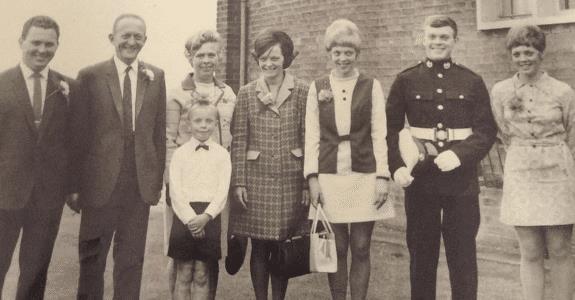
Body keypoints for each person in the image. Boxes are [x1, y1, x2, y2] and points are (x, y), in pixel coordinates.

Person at [386, 15, 497, 300]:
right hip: (421, 180)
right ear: (423, 40)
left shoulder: (472, 80)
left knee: (463, 255)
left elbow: (486, 130)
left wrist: (460, 155)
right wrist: (396, 166)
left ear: (454, 41)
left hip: (461, 181)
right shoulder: (406, 80)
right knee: (421, 256)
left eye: (444, 37)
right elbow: (390, 128)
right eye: (432, 37)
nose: (437, 42)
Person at [67, 14, 166, 299]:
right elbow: (77, 137)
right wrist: (74, 186)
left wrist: (155, 181)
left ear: (145, 40)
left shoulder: (155, 76)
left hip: (138, 186)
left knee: (131, 262)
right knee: (92, 261)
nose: (131, 42)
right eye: (125, 35)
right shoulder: (90, 75)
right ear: (112, 38)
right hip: (99, 186)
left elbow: (157, 135)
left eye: (138, 37)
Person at [303, 19, 395, 300]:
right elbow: (312, 135)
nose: (343, 58)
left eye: (348, 52)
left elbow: (380, 133)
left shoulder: (371, 86)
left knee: (362, 246)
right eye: (337, 53)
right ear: (329, 54)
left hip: (365, 174)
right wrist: (312, 179)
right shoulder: (318, 87)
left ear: (357, 54)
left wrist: (382, 176)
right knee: (337, 247)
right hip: (330, 175)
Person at [491, 24, 575, 300]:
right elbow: (503, 131)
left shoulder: (562, 91)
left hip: (557, 172)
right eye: (517, 53)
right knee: (530, 251)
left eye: (529, 52)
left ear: (541, 54)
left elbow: (572, 135)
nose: (523, 58)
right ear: (510, 56)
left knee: (561, 249)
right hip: (522, 172)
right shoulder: (501, 91)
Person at [229, 29, 309, 300]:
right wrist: (239, 181)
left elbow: (309, 139)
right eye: (263, 58)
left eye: (275, 57)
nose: (269, 64)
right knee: (259, 246)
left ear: (286, 58)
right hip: (256, 180)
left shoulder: (302, 91)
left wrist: (308, 182)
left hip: (290, 178)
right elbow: (239, 139)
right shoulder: (247, 92)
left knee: (282, 246)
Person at [0, 15, 75, 300]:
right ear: (21, 42)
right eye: (35, 43)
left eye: (49, 44)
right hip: (4, 193)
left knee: (35, 272)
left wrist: (69, 188)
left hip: (46, 197)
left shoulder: (68, 87)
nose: (42, 50)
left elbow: (72, 144)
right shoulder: (2, 84)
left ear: (57, 46)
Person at [164, 29, 236, 299]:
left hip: (216, 185)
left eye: (212, 55)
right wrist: (172, 186)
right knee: (182, 260)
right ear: (190, 57)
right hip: (185, 186)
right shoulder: (177, 94)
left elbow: (232, 136)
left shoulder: (228, 92)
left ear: (219, 57)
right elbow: (169, 140)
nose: (207, 60)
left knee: (208, 257)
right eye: (200, 55)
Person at [168, 100, 231, 300]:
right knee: (184, 272)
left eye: (208, 121)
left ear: (215, 123)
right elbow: (175, 191)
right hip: (184, 216)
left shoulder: (222, 155)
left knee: (203, 274)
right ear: (188, 124)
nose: (203, 125)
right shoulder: (180, 154)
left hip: (209, 216)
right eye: (198, 121)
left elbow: (223, 191)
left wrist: (206, 216)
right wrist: (190, 219)